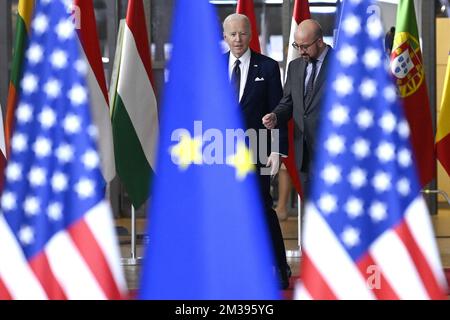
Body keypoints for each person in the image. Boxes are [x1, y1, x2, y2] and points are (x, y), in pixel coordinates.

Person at [223, 13, 291, 289]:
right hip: (221, 152)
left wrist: (277, 150)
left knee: (262, 209)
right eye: (232, 34)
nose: (237, 39)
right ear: (224, 36)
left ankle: (280, 267)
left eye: (242, 33)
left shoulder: (269, 66)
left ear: (250, 34)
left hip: (258, 150)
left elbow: (279, 111)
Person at [262, 19, 332, 200]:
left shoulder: (342, 65)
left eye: (305, 46)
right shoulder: (295, 66)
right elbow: (288, 102)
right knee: (310, 210)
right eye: (297, 45)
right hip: (304, 154)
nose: (300, 51)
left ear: (320, 41)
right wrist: (276, 116)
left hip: (333, 152)